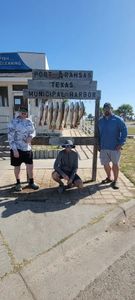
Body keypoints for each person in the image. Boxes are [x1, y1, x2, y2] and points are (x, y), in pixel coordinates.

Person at [8, 106, 39, 191]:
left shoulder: (29, 121)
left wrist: (31, 137)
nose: (23, 113)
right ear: (19, 112)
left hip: (27, 148)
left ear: (27, 113)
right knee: (17, 166)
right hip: (17, 148)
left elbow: (33, 131)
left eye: (25, 112)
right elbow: (10, 137)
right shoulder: (13, 122)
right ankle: (18, 183)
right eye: (22, 112)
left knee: (30, 166)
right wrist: (14, 150)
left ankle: (31, 182)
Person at [98, 102, 127, 189]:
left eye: (108, 108)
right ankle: (109, 178)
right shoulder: (100, 120)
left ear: (111, 109)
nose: (106, 110)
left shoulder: (117, 119)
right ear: (103, 109)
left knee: (115, 164)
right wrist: (99, 145)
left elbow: (124, 131)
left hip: (115, 147)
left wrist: (121, 143)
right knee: (105, 164)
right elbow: (98, 134)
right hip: (103, 147)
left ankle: (115, 181)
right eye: (105, 108)